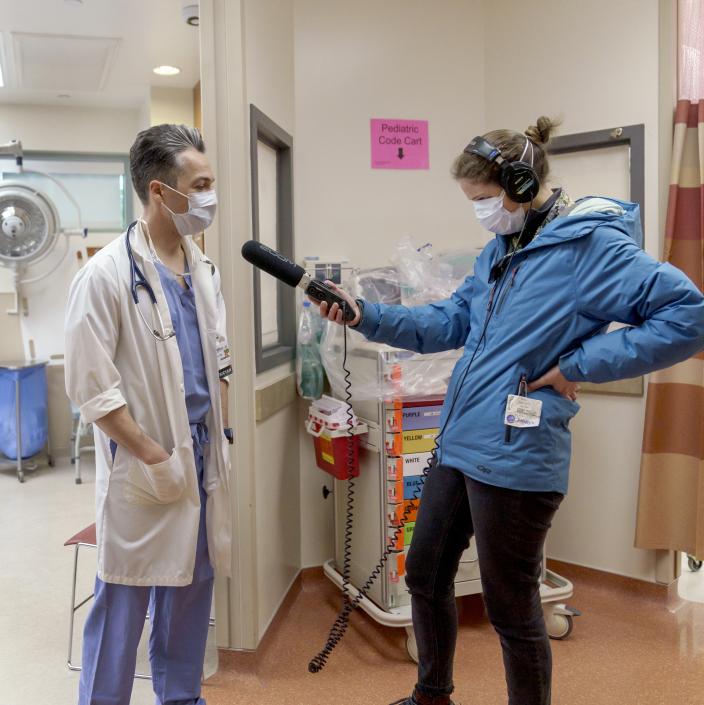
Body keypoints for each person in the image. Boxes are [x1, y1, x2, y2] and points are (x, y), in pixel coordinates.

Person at [314, 116, 704, 705]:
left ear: (520, 186)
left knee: (511, 606)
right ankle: (432, 695)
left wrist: (579, 365)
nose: (479, 212)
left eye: (483, 199)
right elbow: (451, 322)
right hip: (461, 442)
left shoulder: (590, 248)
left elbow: (687, 316)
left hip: (518, 457)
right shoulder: (502, 251)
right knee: (424, 574)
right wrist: (366, 315)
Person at [65, 124, 234, 705]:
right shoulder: (106, 275)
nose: (211, 195)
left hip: (204, 450)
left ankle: (181, 697)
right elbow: (93, 390)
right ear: (160, 191)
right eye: (202, 184)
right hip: (145, 454)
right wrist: (152, 454)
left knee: (192, 587)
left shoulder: (203, 270)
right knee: (124, 599)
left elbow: (218, 363)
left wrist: (220, 430)